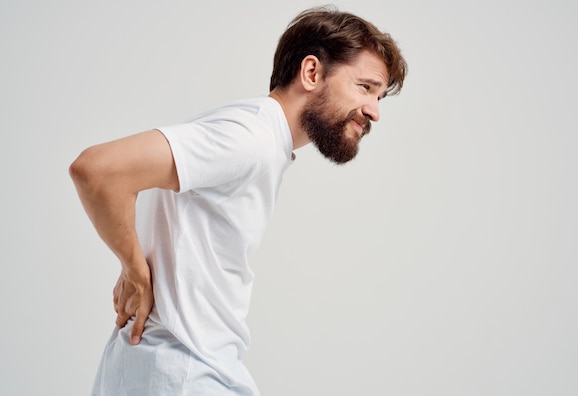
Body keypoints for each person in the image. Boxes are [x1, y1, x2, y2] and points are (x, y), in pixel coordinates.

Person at [69, 5, 407, 396]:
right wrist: (134, 269)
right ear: (311, 72)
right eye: (365, 87)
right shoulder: (252, 139)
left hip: (169, 367)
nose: (374, 112)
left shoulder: (256, 134)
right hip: (184, 372)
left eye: (379, 96)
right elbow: (97, 169)